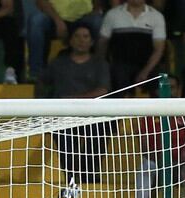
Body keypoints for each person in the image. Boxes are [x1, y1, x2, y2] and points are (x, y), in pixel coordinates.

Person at [39, 25, 111, 185]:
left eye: (85, 36)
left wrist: (72, 99)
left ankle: (89, 178)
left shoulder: (100, 64)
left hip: (92, 116)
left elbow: (102, 90)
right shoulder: (58, 63)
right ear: (70, 40)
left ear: (92, 41)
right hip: (63, 116)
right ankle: (70, 179)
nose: (81, 40)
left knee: (102, 129)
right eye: (77, 36)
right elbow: (42, 82)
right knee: (64, 138)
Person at [135, 75, 185, 198]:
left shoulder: (183, 111)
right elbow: (144, 148)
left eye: (173, 87)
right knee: (145, 168)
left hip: (181, 162)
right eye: (166, 87)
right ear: (157, 90)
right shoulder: (149, 114)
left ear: (179, 89)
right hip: (156, 161)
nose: (170, 91)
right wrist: (162, 157)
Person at [97, 0, 166, 93]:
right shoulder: (112, 15)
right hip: (120, 67)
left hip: (148, 66)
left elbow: (159, 49)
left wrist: (145, 71)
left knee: (162, 80)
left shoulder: (156, 16)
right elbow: (102, 43)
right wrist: (103, 66)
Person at [27, 0, 104, 81]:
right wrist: (58, 21)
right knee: (36, 20)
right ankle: (36, 73)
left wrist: (95, 10)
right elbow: (41, 1)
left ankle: (98, 70)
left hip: (83, 17)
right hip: (53, 17)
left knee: (97, 22)